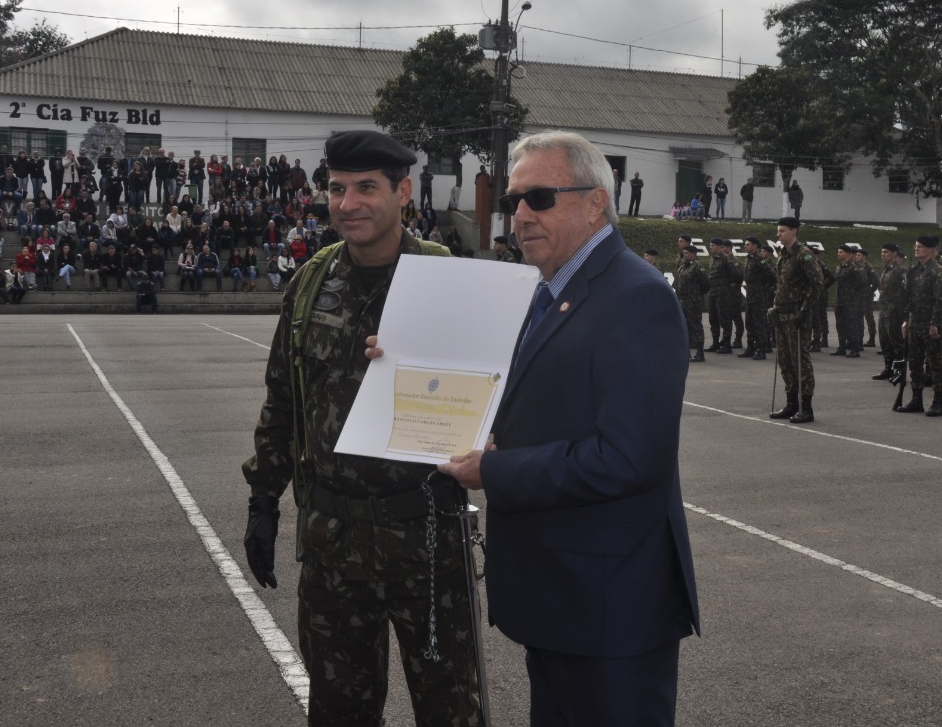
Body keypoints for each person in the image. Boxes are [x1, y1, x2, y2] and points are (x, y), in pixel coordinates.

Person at [437, 130, 699, 727]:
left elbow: (630, 459)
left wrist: (493, 470)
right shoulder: (548, 291)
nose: (521, 215)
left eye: (540, 198)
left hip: (610, 609)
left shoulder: (635, 297)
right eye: (512, 203)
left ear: (594, 204)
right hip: (564, 600)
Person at [241, 130, 481, 726]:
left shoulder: (449, 281)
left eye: (366, 188)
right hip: (331, 542)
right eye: (337, 189)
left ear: (403, 192)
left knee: (450, 708)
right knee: (337, 712)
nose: (348, 204)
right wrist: (262, 500)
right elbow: (282, 400)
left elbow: (495, 391)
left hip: (426, 537)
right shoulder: (310, 283)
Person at [768, 216, 823, 424]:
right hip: (781, 314)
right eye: (778, 231)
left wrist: (804, 309)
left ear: (794, 231)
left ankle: (806, 407)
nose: (778, 234)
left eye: (782, 231)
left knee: (800, 360)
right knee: (785, 360)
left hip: (797, 315)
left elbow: (817, 283)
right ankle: (791, 403)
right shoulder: (783, 255)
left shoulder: (804, 255)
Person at [896, 235, 942, 416]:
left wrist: (934, 323)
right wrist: (906, 320)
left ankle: (937, 402)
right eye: (915, 246)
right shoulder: (914, 271)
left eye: (920, 246)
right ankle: (916, 399)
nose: (916, 249)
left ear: (931, 249)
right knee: (915, 363)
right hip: (915, 322)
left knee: (934, 363)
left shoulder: (938, 271)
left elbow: (941, 301)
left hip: (929, 323)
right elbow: (907, 298)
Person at [872, 243, 908, 380]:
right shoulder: (885, 269)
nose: (883, 254)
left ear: (894, 254)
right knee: (884, 341)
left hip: (895, 312)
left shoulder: (901, 270)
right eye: (882, 252)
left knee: (897, 343)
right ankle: (888, 369)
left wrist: (902, 312)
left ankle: (899, 371)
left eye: (886, 252)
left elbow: (905, 291)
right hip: (884, 310)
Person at [739, 236, 775, 360]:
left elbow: (772, 275)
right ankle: (750, 348)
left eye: (748, 244)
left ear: (755, 246)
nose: (745, 246)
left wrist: (764, 287)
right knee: (749, 323)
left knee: (759, 324)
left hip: (759, 297)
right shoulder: (748, 259)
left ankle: (761, 349)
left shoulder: (760, 260)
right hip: (750, 296)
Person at [675, 243, 710, 361]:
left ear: (694, 254)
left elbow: (706, 284)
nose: (685, 255)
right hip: (683, 301)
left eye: (687, 253)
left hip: (694, 302)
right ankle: (687, 352)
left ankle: (700, 353)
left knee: (696, 326)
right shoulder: (683, 267)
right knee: (686, 327)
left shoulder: (697, 267)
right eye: (684, 253)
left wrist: (697, 295)